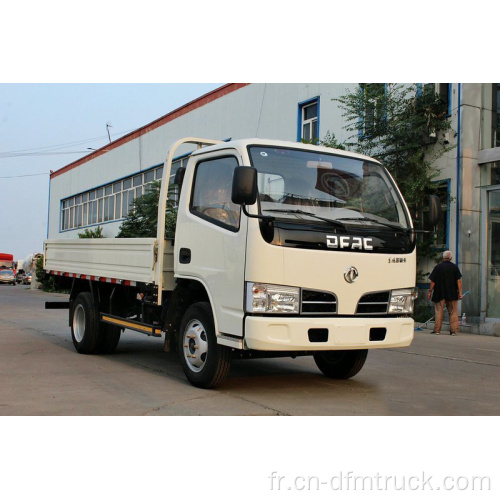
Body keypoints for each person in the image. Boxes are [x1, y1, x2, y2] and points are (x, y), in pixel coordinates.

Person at [427, 250, 463, 335]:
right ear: (451, 258)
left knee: (439, 311)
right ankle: (453, 331)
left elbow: (433, 281)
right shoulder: (455, 267)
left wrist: (430, 291)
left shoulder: (438, 267)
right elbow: (458, 281)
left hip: (439, 293)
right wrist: (459, 293)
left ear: (443, 257)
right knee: (453, 312)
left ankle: (437, 330)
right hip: (452, 293)